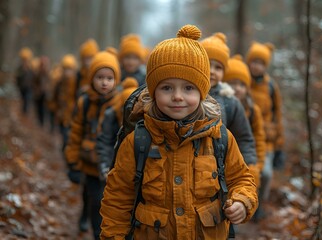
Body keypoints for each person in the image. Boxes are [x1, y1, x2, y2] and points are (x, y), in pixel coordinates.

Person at [100, 25, 258, 239]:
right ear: (153, 91)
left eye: (188, 88)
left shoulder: (219, 138)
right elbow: (118, 199)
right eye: (167, 88)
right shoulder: (138, 141)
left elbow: (241, 178)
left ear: (202, 92)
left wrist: (242, 201)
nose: (177, 96)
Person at [64, 50, 121, 240]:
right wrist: (72, 160)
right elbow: (76, 132)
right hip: (89, 161)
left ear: (116, 80)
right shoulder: (85, 102)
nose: (104, 82)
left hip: (110, 163)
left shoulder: (119, 103)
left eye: (109, 78)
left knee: (102, 201)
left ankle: (99, 233)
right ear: (91, 78)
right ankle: (89, 221)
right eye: (100, 77)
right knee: (90, 196)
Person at [200, 33, 257, 167]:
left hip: (219, 167)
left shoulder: (230, 102)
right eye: (208, 64)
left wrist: (249, 166)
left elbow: (243, 138)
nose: (212, 71)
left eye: (218, 67)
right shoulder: (187, 95)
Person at [246, 41, 285, 219]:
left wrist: (279, 146)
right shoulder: (243, 82)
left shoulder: (271, 87)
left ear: (265, 66)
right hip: (247, 136)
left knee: (266, 174)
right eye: (254, 61)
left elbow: (278, 115)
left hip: (267, 139)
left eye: (261, 63)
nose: (256, 66)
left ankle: (259, 205)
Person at [223, 55, 266, 189]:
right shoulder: (219, 107)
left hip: (245, 158)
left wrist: (257, 165)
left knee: (264, 176)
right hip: (225, 159)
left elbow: (258, 138)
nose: (237, 88)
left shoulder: (253, 110)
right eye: (232, 83)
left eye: (242, 84)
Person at [96, 76, 139, 181]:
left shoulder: (144, 121)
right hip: (113, 168)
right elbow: (105, 142)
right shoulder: (111, 117)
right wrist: (105, 166)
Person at [53, 54, 78, 151]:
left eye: (70, 70)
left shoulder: (76, 83)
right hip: (62, 116)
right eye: (65, 70)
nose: (67, 73)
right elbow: (55, 98)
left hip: (73, 116)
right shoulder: (59, 83)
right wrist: (57, 110)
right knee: (64, 138)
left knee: (70, 139)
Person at [16, 47, 34, 114]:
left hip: (29, 88)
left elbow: (33, 78)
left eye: (26, 60)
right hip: (22, 87)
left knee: (27, 100)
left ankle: (25, 112)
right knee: (23, 99)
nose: (25, 62)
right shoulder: (20, 69)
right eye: (24, 60)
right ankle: (23, 113)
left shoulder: (31, 68)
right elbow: (17, 78)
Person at [33, 56, 50, 126]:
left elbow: (50, 82)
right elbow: (35, 82)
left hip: (45, 93)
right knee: (39, 108)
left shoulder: (48, 72)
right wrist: (37, 89)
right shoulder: (38, 73)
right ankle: (40, 121)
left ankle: (43, 122)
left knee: (44, 109)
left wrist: (47, 88)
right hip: (39, 93)